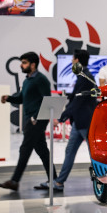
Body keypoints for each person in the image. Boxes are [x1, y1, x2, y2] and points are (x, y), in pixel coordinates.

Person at [0, 51, 57, 193]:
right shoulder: (27, 80)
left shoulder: (41, 80)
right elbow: (21, 98)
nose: (21, 65)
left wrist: (36, 118)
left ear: (33, 65)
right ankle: (55, 181)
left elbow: (47, 99)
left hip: (36, 120)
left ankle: (14, 181)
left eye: (24, 63)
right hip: (31, 119)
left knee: (25, 149)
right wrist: (9, 98)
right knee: (42, 151)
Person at [34, 49, 95, 193]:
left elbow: (78, 102)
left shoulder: (86, 77)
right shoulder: (82, 76)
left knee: (95, 155)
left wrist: (62, 117)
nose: (72, 62)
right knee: (70, 151)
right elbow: (75, 100)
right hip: (78, 123)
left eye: (73, 59)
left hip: (85, 122)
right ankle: (59, 182)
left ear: (77, 61)